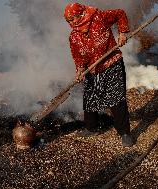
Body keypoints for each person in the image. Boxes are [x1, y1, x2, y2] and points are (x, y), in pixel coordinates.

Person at [64, 3, 135, 147]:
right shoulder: (74, 37)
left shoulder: (99, 17)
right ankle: (91, 128)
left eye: (72, 19)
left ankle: (125, 133)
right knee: (90, 98)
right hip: (92, 69)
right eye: (68, 21)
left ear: (81, 14)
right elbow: (78, 57)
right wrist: (79, 70)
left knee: (116, 98)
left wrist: (122, 33)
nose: (71, 23)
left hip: (112, 63)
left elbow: (120, 13)